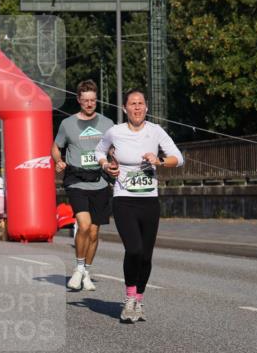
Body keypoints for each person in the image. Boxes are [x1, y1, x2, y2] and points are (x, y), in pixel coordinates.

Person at [95, 89, 182, 324]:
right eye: (132, 104)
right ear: (125, 108)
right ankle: (129, 298)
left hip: (149, 201)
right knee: (133, 249)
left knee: (145, 255)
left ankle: (139, 300)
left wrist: (159, 160)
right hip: (124, 200)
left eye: (140, 103)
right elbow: (98, 151)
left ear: (146, 107)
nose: (137, 107)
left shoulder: (155, 131)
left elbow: (178, 157)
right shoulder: (115, 132)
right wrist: (106, 165)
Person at [53, 79, 114, 292]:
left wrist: (114, 160)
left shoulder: (107, 124)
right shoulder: (67, 124)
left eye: (93, 100)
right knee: (84, 225)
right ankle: (78, 268)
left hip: (100, 181)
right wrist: (58, 160)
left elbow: (114, 148)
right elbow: (56, 146)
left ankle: (86, 271)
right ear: (78, 100)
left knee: (95, 233)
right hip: (76, 180)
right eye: (85, 100)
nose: (89, 104)